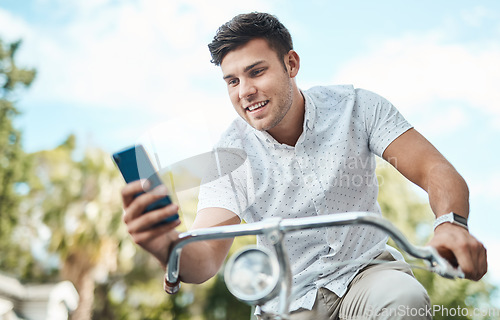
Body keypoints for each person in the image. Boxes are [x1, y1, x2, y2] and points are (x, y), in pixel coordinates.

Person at [121, 12, 487, 319]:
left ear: (291, 64)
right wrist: (165, 243)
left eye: (256, 72)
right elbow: (203, 259)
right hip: (288, 300)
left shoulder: (357, 107)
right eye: (232, 81)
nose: (244, 91)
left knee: (403, 301)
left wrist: (449, 224)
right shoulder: (229, 155)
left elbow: (435, 169)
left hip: (368, 273)